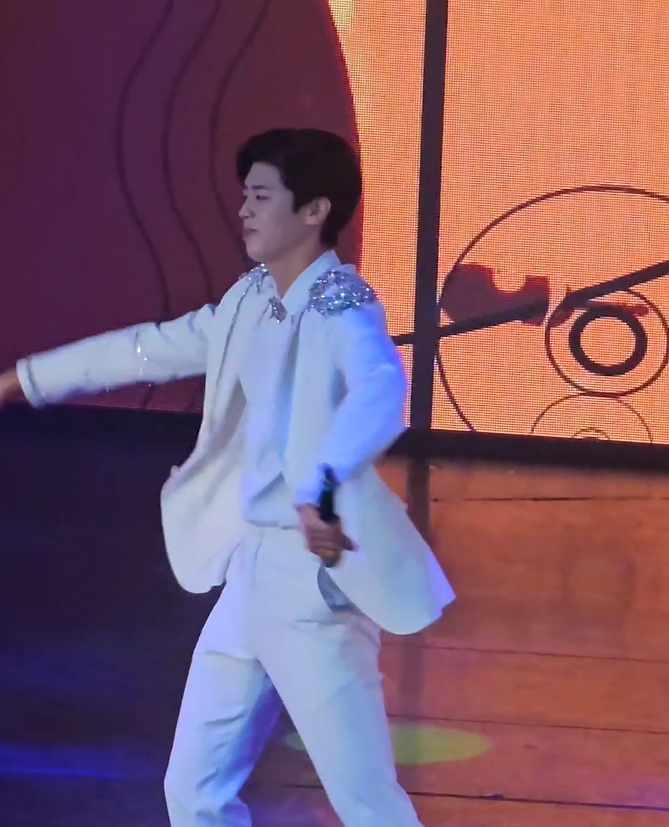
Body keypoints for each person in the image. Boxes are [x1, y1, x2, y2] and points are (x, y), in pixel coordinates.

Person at [0, 128, 455, 827]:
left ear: (314, 211)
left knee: (367, 804)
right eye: (245, 194)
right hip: (251, 570)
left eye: (262, 196)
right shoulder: (249, 299)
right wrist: (24, 380)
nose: (244, 209)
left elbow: (378, 387)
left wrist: (320, 488)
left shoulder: (341, 302)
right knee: (194, 788)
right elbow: (146, 349)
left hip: (309, 585)